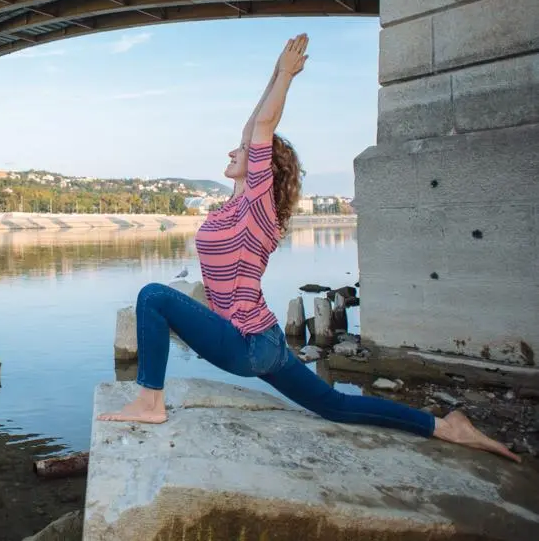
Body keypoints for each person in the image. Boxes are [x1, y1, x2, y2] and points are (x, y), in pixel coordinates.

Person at [98, 34, 519, 463]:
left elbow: (262, 128)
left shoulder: (257, 206)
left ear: (263, 168)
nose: (234, 148)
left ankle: (150, 402)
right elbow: (253, 126)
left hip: (247, 344)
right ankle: (446, 426)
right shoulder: (239, 201)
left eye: (242, 150)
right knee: (335, 406)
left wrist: (286, 76)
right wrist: (274, 71)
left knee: (153, 296)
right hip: (266, 342)